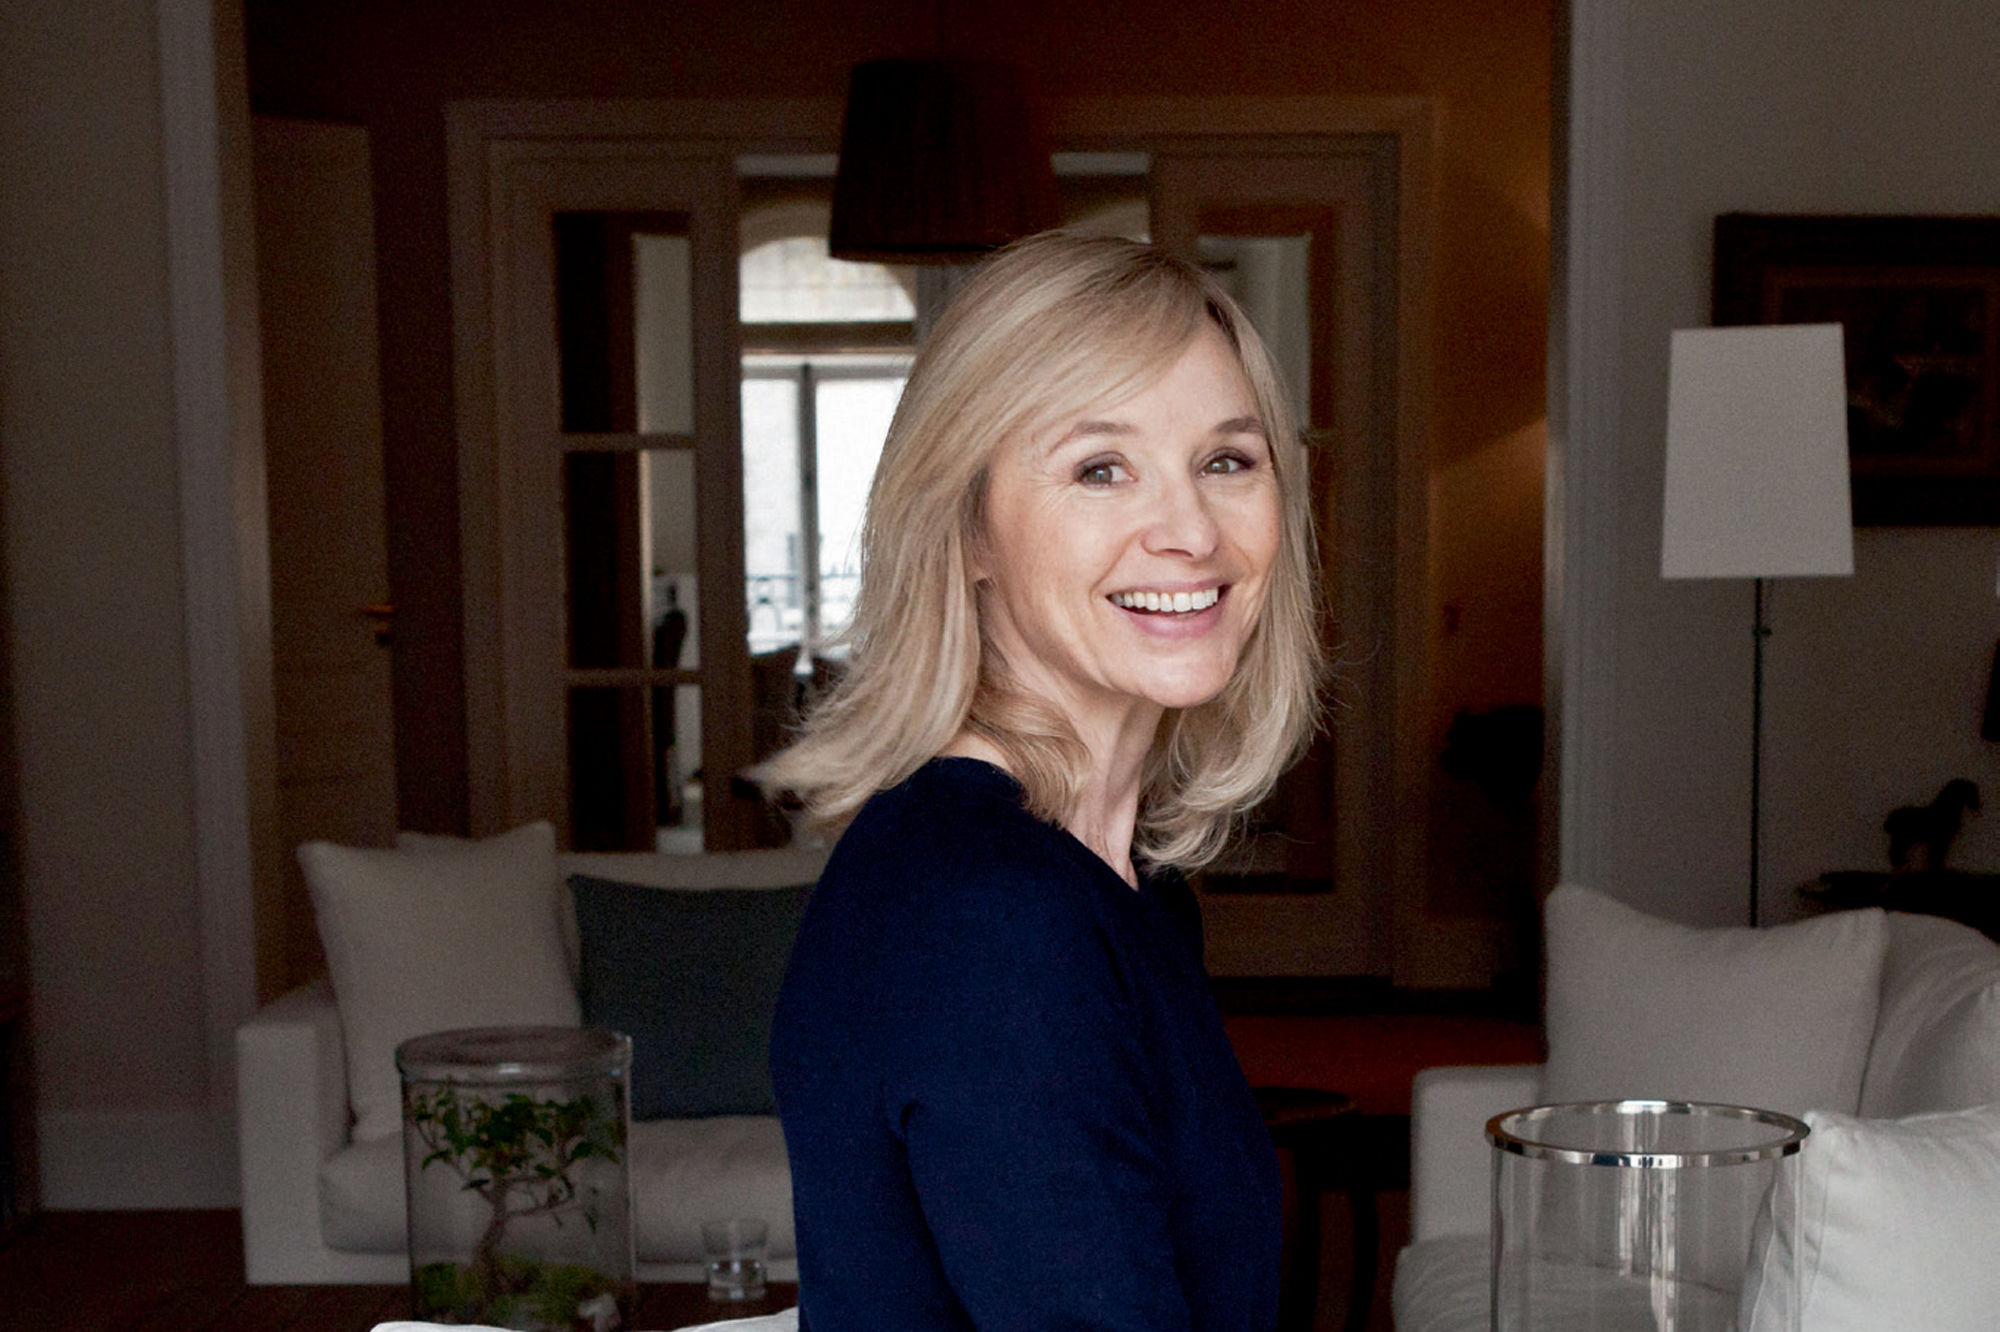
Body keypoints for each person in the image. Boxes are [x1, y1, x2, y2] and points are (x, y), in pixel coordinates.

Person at [763, 231, 1324, 1331]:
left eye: (1226, 460)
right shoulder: (996, 919)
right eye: (1099, 468)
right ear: (967, 527)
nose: (1190, 531)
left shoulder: (1117, 883)